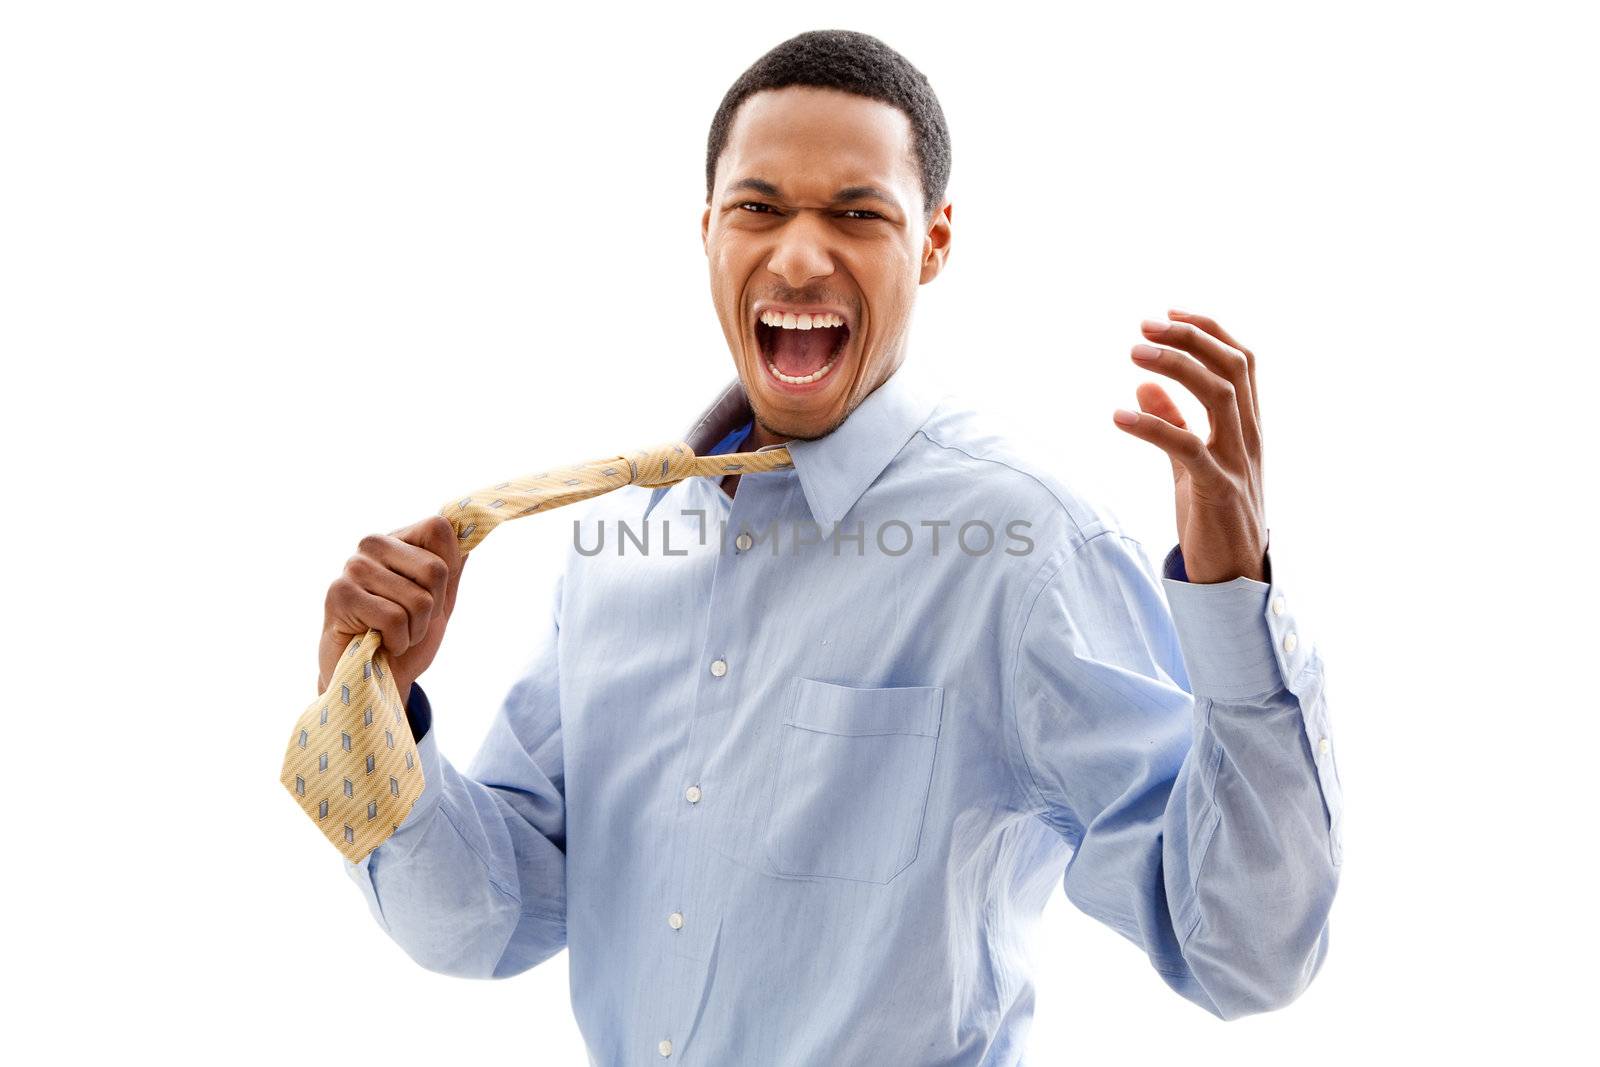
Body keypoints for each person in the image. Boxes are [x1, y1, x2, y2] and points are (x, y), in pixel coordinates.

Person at [320, 28, 1343, 1064]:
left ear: (934, 241)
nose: (800, 255)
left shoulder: (1023, 547)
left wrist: (1233, 596)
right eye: (759, 208)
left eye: (857, 214)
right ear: (709, 229)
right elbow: (489, 918)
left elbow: (1243, 951)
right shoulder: (619, 541)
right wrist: (370, 715)